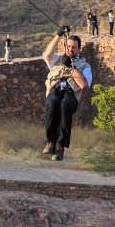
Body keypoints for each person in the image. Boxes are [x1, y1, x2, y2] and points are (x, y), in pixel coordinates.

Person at [42, 28, 92, 161]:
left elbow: (84, 85)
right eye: (69, 46)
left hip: (70, 95)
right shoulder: (57, 58)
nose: (71, 49)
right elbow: (47, 54)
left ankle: (60, 146)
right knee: (52, 103)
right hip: (55, 90)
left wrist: (71, 66)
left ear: (79, 49)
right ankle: (50, 141)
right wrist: (58, 34)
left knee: (64, 105)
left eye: (74, 47)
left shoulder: (85, 66)